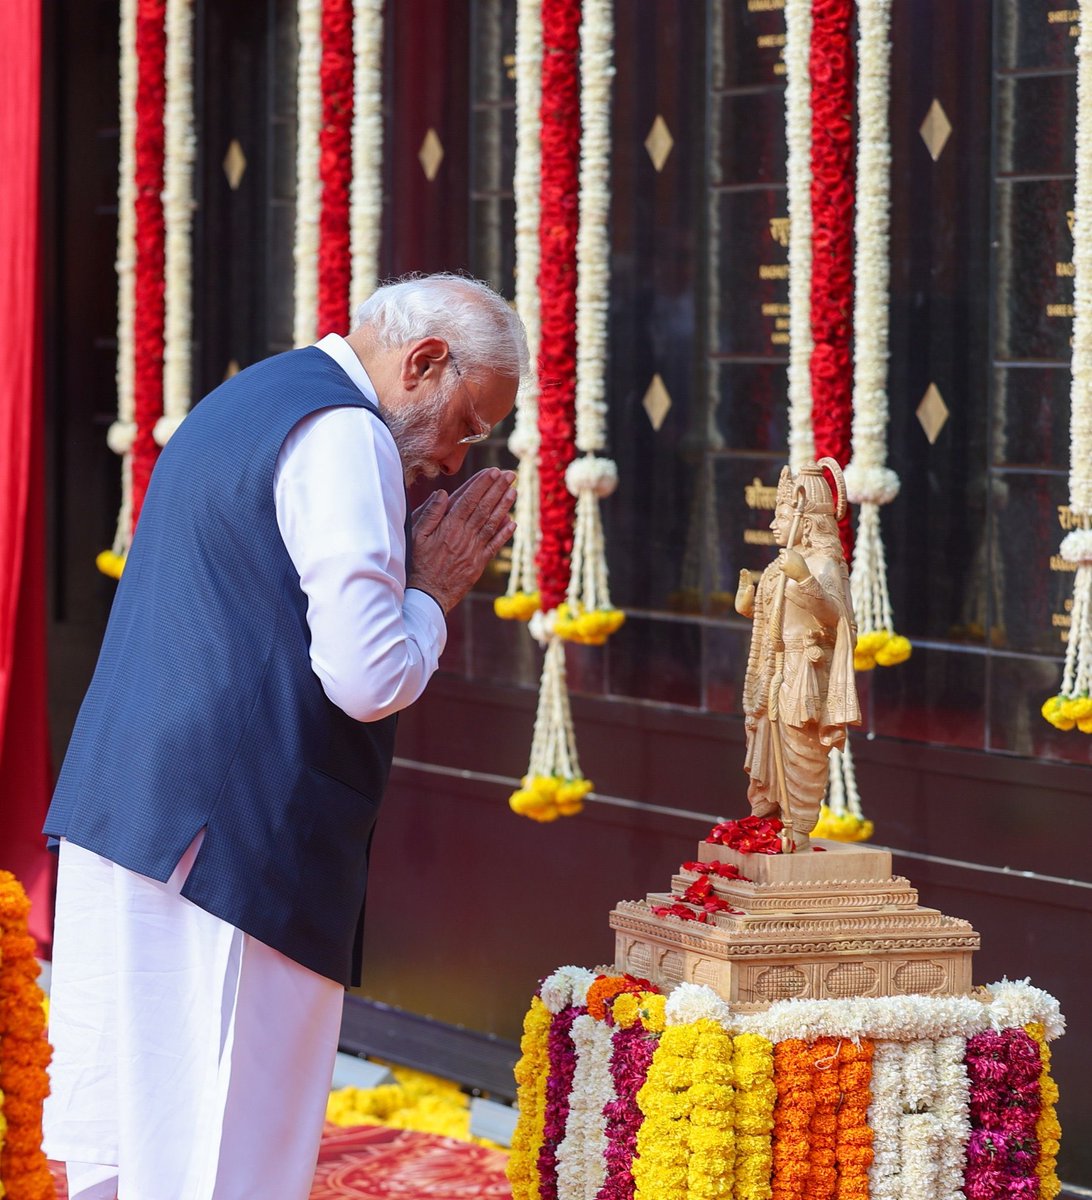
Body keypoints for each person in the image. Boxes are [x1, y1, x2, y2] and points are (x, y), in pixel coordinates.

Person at [41, 272, 527, 1200]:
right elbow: (369, 675)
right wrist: (430, 592)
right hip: (226, 849)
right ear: (423, 363)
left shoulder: (260, 392)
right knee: (223, 1155)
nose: (460, 460)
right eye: (467, 422)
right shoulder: (346, 434)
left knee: (138, 1144)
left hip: (139, 816)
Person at [734, 460, 860, 852]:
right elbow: (776, 618)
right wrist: (749, 607)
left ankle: (799, 826)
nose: (773, 524)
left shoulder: (822, 566)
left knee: (802, 748)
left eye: (782, 516)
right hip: (774, 670)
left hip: (805, 670)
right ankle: (769, 818)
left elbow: (838, 620)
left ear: (806, 522)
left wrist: (804, 579)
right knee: (768, 742)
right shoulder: (777, 567)